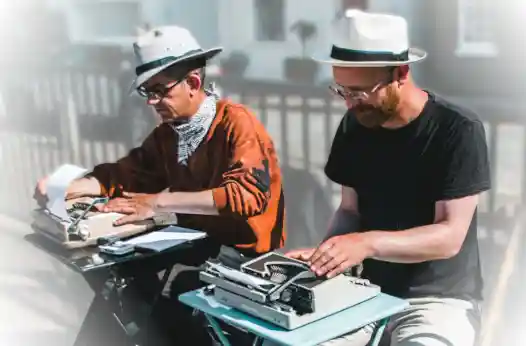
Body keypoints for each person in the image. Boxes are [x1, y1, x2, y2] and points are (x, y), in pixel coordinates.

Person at [34, 25, 286, 345]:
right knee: (118, 281)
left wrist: (157, 203)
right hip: (196, 242)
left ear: (193, 83)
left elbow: (247, 196)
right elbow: (132, 171)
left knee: (166, 296)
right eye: (147, 93)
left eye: (160, 91)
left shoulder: (236, 122)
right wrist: (72, 186)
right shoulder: (170, 133)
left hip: (242, 255)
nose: (152, 102)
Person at [285, 11, 490, 346]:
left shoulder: (457, 129)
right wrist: (328, 253)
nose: (350, 104)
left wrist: (365, 244)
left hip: (438, 300)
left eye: (361, 92)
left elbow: (449, 236)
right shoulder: (354, 127)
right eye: (341, 90)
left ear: (401, 72)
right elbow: (350, 212)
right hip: (364, 291)